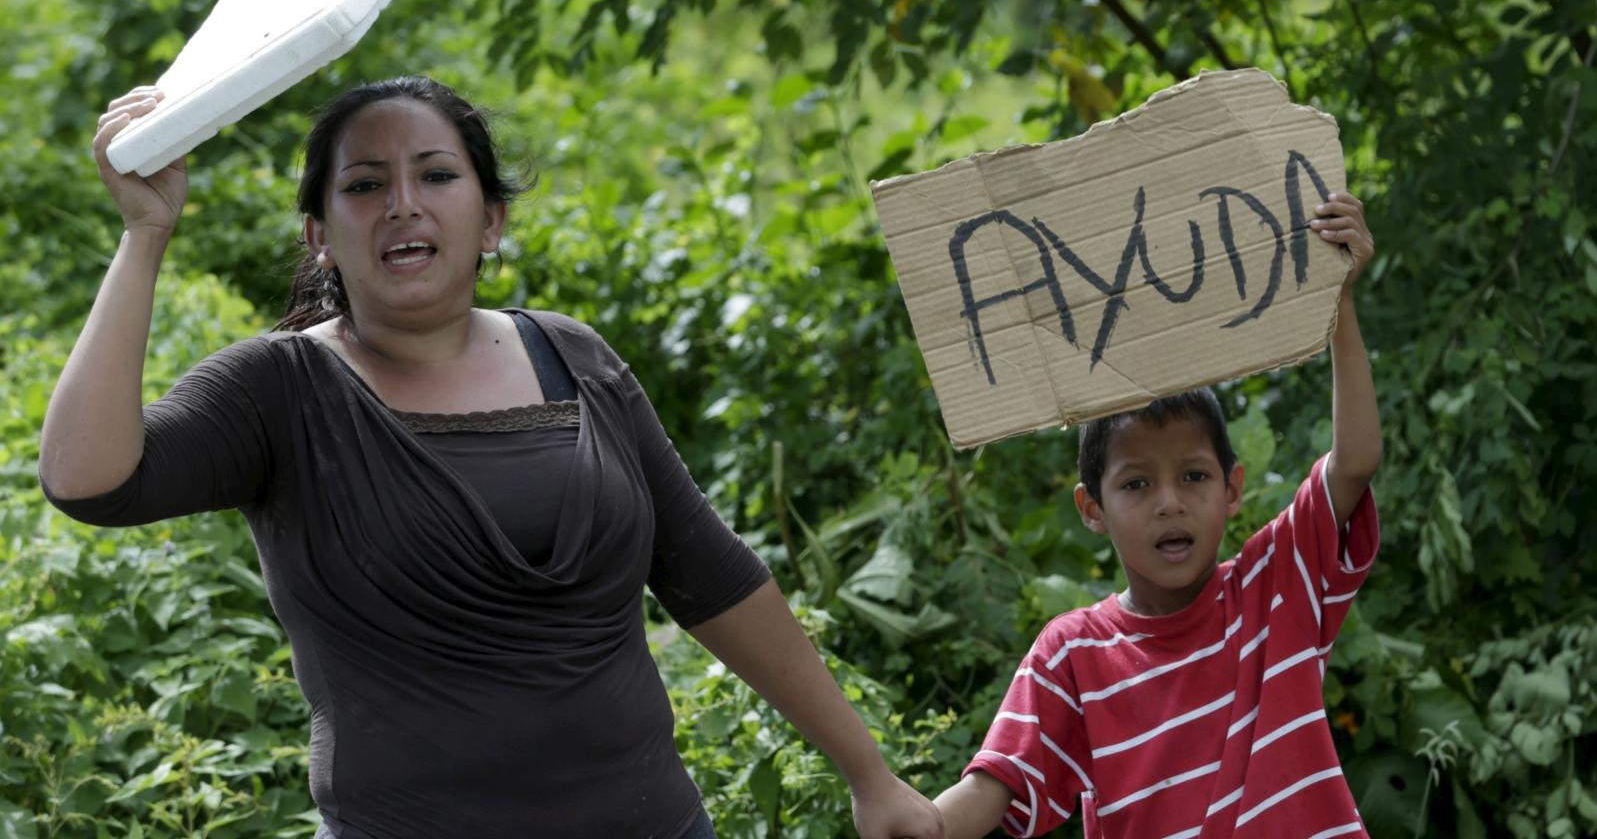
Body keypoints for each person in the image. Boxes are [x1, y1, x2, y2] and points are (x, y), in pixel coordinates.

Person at [40, 78, 946, 839]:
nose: (402, 202)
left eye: (436, 174)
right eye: (363, 185)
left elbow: (710, 575)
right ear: (320, 233)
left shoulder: (574, 358)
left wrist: (868, 772)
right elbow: (87, 480)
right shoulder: (281, 392)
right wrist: (145, 234)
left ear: (491, 219)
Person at [931, 193, 1382, 838]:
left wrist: (1337, 300)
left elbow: (1356, 460)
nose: (1170, 501)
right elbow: (990, 789)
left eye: (1193, 477)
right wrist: (914, 824)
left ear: (1232, 489)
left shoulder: (1277, 584)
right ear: (1092, 509)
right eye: (1137, 483)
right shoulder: (1073, 654)